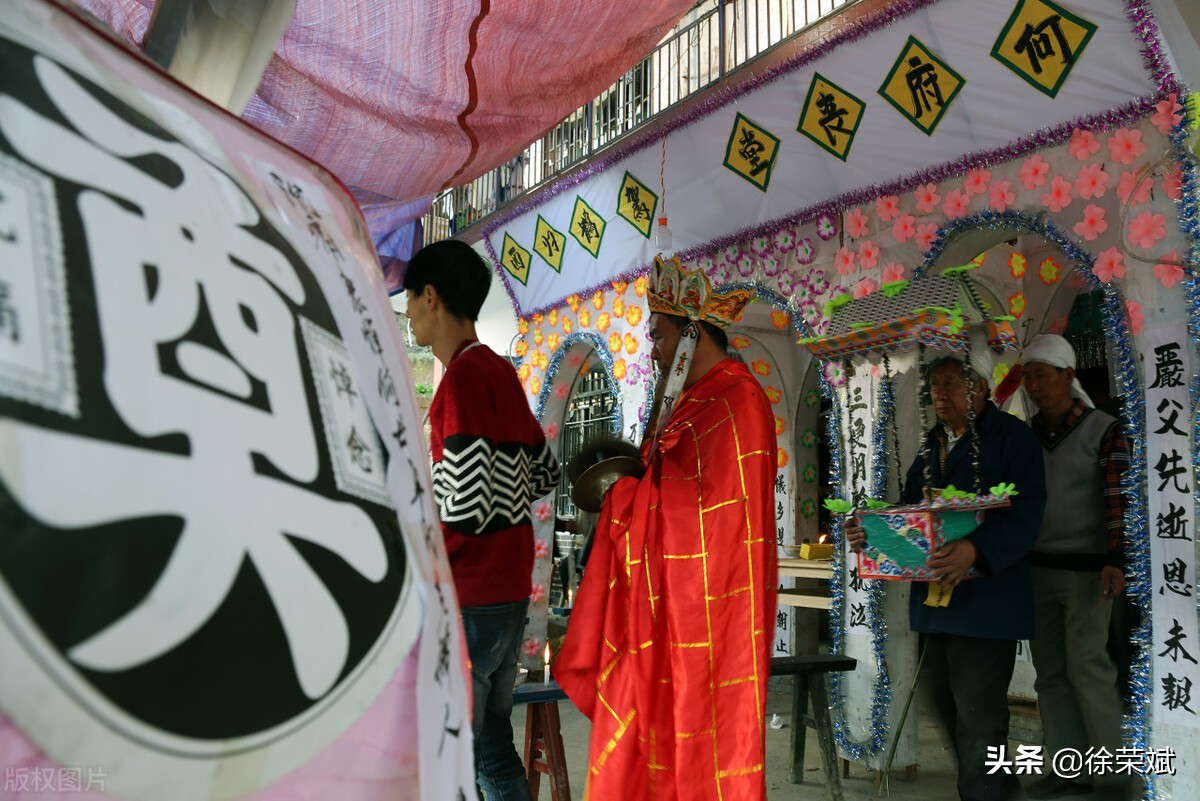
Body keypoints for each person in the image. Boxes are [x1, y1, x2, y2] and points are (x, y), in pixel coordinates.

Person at [555, 256, 778, 800]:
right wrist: (634, 488)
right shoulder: (688, 402)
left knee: (704, 751)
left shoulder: (738, 402)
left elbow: (712, 521)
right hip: (661, 607)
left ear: (691, 334)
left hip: (714, 611)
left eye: (658, 335)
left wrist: (626, 497)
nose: (651, 348)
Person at [846, 337, 1046, 801]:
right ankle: (998, 790)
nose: (941, 394)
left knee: (979, 713)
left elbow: (1027, 514)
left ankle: (987, 795)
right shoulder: (933, 444)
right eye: (935, 385)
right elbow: (913, 512)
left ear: (979, 389)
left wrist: (976, 550)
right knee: (945, 703)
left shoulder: (1013, 439)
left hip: (986, 604)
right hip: (935, 605)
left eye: (952, 384)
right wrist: (870, 531)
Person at [403, 240, 560, 801]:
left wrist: (416, 508)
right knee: (491, 742)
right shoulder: (499, 371)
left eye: (410, 302)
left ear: (431, 296)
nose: (408, 315)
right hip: (510, 594)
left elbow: (465, 504)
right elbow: (545, 473)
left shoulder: (462, 380)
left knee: (454, 755)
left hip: (467, 598)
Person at [1020, 334, 1129, 800]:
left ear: (1068, 375)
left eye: (1041, 376)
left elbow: (1118, 499)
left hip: (1089, 571)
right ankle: (1067, 767)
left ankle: (1112, 776)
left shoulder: (1103, 429)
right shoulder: (1026, 436)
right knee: (1050, 672)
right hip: (1037, 569)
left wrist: (1116, 559)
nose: (1034, 387)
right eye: (1027, 378)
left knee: (1088, 666)